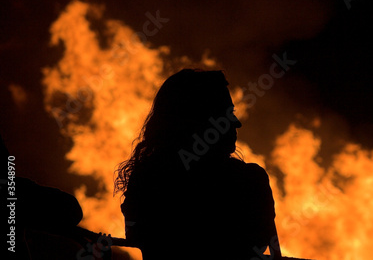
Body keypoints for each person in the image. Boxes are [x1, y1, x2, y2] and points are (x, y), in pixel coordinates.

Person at [114, 69, 279, 259]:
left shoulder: (149, 179)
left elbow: (137, 235)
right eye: (225, 114)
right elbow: (254, 244)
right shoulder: (249, 180)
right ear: (197, 121)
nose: (237, 123)